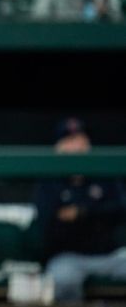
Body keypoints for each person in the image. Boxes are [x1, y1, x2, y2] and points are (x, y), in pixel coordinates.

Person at [34, 118, 126, 302]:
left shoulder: (104, 176)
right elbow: (48, 221)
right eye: (69, 141)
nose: (77, 147)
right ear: (58, 148)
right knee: (62, 279)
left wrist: (82, 213)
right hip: (69, 257)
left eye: (81, 140)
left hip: (109, 255)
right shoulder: (50, 182)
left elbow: (119, 209)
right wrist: (95, 214)